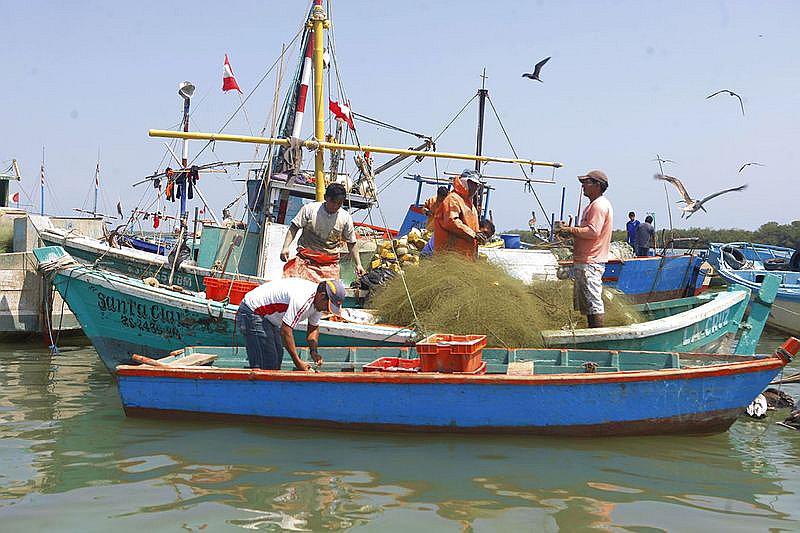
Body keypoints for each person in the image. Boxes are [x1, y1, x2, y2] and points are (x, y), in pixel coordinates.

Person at [236, 278, 346, 371]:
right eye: (327, 306)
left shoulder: (318, 304)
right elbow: (285, 332)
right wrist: (298, 362)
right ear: (322, 296)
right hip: (252, 311)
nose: (327, 310)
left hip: (268, 317)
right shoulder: (302, 300)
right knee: (268, 363)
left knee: (277, 357)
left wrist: (314, 352)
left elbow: (313, 329)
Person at [557, 170, 614, 328]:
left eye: (586, 182)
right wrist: (570, 233)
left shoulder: (599, 205)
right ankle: (592, 332)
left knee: (593, 303)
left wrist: (571, 230)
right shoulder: (593, 205)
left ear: (597, 185)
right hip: (586, 261)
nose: (583, 186)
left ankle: (597, 336)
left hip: (591, 262)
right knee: (588, 304)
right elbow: (588, 232)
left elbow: (593, 232)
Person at [280, 182, 366, 282]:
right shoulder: (310, 209)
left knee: (330, 290)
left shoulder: (345, 218)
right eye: (333, 202)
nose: (336, 206)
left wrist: (358, 264)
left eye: (339, 203)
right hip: (305, 261)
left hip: (329, 265)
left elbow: (351, 243)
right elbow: (294, 228)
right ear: (326, 198)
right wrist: (285, 247)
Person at [433, 169, 483, 259]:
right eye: (473, 184)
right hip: (450, 256)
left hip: (466, 257)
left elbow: (473, 228)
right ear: (464, 182)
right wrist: (473, 234)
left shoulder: (470, 205)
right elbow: (451, 221)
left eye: (477, 185)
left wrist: (479, 235)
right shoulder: (453, 199)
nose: (475, 188)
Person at [422, 218, 494, 258]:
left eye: (487, 237)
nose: (484, 237)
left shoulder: (473, 241)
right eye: (485, 233)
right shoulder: (465, 231)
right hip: (430, 254)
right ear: (478, 227)